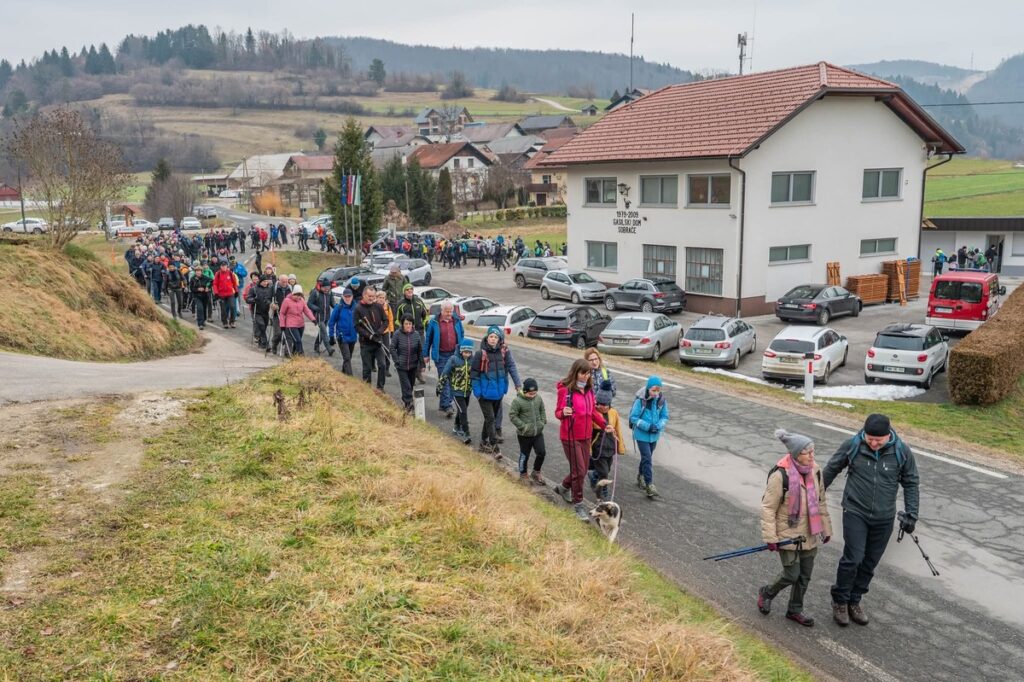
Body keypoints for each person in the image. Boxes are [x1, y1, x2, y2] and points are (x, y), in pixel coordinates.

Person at [823, 414, 919, 627]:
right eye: (870, 439)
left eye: (879, 440)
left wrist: (911, 514)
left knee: (869, 563)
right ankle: (840, 600)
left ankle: (854, 600)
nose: (874, 443)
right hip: (855, 511)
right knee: (854, 558)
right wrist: (814, 498)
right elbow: (831, 469)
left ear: (888, 435)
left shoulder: (901, 451)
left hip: (884, 518)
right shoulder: (853, 445)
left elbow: (911, 482)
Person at [757, 429, 833, 628]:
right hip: (787, 535)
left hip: (809, 532)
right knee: (792, 574)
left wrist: (826, 528)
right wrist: (770, 538)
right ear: (796, 453)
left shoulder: (815, 470)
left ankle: (795, 610)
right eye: (807, 452)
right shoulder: (780, 475)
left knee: (804, 576)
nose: (812, 455)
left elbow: (821, 500)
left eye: (813, 451)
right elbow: (768, 508)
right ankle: (767, 592)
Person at [554, 359, 609, 521]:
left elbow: (592, 412)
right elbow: (557, 413)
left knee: (582, 471)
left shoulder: (589, 391)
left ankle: (564, 487)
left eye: (588, 373)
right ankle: (578, 505)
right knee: (579, 472)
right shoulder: (565, 391)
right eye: (583, 373)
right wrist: (564, 412)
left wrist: (605, 425)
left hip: (586, 437)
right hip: (570, 437)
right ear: (575, 372)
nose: (586, 376)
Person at [470, 326, 520, 457]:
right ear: (487, 338)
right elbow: (474, 374)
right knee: (491, 418)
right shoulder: (480, 354)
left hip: (498, 393)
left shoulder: (504, 352)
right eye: (491, 336)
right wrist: (477, 392)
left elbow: (511, 367)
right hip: (484, 394)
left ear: (499, 339)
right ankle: (494, 447)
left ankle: (483, 442)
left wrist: (516, 385)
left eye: (496, 337)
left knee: (489, 419)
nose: (493, 339)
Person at [629, 376, 668, 499]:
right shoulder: (640, 401)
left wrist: (658, 426)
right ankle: (649, 485)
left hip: (654, 435)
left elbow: (665, 416)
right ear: (648, 388)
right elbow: (633, 418)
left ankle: (640, 475)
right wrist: (647, 426)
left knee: (647, 457)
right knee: (647, 458)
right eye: (654, 390)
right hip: (642, 435)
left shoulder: (662, 400)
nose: (656, 393)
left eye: (658, 390)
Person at [423, 301, 464, 417]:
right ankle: (448, 405)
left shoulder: (456, 321)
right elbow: (428, 340)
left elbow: (461, 334)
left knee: (453, 380)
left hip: (454, 354)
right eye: (447, 311)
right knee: (444, 379)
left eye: (451, 311)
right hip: (441, 355)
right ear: (442, 310)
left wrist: (462, 350)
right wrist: (425, 355)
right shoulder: (434, 322)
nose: (449, 314)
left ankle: (443, 404)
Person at [589, 379, 624, 501]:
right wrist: (588, 449)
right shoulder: (593, 414)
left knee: (606, 469)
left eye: (606, 404)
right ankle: (602, 492)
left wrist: (620, 446)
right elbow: (589, 433)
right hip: (598, 449)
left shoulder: (614, 413)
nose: (603, 407)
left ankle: (593, 475)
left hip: (610, 447)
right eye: (600, 404)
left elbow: (618, 429)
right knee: (604, 472)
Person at [509, 377, 547, 485]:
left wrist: (543, 421)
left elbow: (542, 409)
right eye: (530, 394)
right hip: (524, 434)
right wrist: (523, 427)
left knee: (541, 452)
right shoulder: (517, 401)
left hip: (538, 432)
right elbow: (512, 415)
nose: (533, 395)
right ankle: (523, 473)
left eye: (535, 393)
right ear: (524, 391)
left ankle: (536, 471)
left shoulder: (538, 398)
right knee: (525, 454)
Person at [440, 339, 475, 444]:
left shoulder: (473, 360)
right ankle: (466, 433)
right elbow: (445, 372)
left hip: (467, 391)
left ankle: (456, 427)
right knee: (463, 411)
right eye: (465, 352)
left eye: (469, 353)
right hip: (456, 391)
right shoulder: (454, 359)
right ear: (461, 351)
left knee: (461, 410)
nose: (467, 355)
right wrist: (440, 385)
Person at [354, 288, 388, 390]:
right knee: (367, 368)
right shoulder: (358, 308)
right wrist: (369, 335)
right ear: (364, 295)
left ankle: (380, 388)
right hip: (366, 343)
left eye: (373, 296)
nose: (372, 298)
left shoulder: (378, 306)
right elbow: (357, 326)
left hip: (378, 342)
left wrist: (379, 332)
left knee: (382, 365)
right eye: (370, 296)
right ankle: (367, 389)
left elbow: (386, 321)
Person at [390, 315, 424, 411]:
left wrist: (422, 364)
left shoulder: (416, 335)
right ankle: (408, 405)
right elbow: (392, 348)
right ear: (402, 324)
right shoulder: (397, 334)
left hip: (413, 366)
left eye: (410, 324)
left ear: (412, 324)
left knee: (411, 385)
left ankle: (407, 403)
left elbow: (420, 350)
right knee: (406, 386)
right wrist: (397, 360)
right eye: (406, 324)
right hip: (402, 366)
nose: (408, 326)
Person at [278, 284, 316, 355]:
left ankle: (295, 353)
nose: (298, 297)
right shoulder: (287, 301)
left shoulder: (302, 300)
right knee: (297, 340)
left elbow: (307, 310)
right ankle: (300, 353)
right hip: (291, 324)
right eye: (296, 295)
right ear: (293, 294)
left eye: (300, 295)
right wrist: (282, 325)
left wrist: (313, 319)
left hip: (300, 324)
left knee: (298, 341)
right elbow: (282, 313)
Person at [328, 288, 358, 375]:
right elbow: (331, 322)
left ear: (352, 297)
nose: (347, 298)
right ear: (343, 297)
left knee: (348, 358)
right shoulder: (338, 307)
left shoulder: (356, 307)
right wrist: (331, 336)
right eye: (346, 296)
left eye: (349, 296)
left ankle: (343, 373)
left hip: (352, 337)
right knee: (347, 357)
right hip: (342, 337)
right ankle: (350, 378)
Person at [307, 278, 335, 356]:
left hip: (327, 316)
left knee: (322, 332)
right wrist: (316, 308)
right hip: (318, 316)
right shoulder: (315, 292)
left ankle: (316, 345)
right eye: (325, 288)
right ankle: (329, 349)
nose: (327, 290)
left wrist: (337, 307)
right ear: (321, 287)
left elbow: (332, 303)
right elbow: (309, 303)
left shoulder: (330, 293)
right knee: (324, 332)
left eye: (328, 288)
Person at [246, 275, 274, 349]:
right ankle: (266, 343)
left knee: (264, 327)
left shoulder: (269, 289)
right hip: (256, 311)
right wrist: (254, 300)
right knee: (261, 325)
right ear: (260, 281)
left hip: (265, 312)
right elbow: (248, 299)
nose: (265, 283)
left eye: (266, 281)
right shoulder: (254, 289)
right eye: (264, 281)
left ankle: (261, 342)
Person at [212, 261, 238, 329]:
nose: (224, 267)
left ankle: (232, 321)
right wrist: (216, 293)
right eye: (222, 266)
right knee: (223, 309)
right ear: (220, 266)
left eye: (225, 266)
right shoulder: (218, 274)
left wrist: (236, 291)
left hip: (230, 293)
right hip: (221, 295)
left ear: (227, 266)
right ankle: (225, 322)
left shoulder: (230, 273)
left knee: (232, 307)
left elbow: (234, 282)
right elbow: (215, 284)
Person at [189, 264, 213, 330]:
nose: (198, 272)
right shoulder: (193, 279)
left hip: (205, 296)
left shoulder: (205, 277)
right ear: (195, 272)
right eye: (197, 271)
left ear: (201, 271)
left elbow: (212, 281)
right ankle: (200, 324)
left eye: (199, 271)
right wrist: (197, 289)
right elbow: (191, 288)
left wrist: (208, 287)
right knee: (200, 309)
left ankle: (204, 320)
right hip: (197, 296)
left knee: (204, 308)